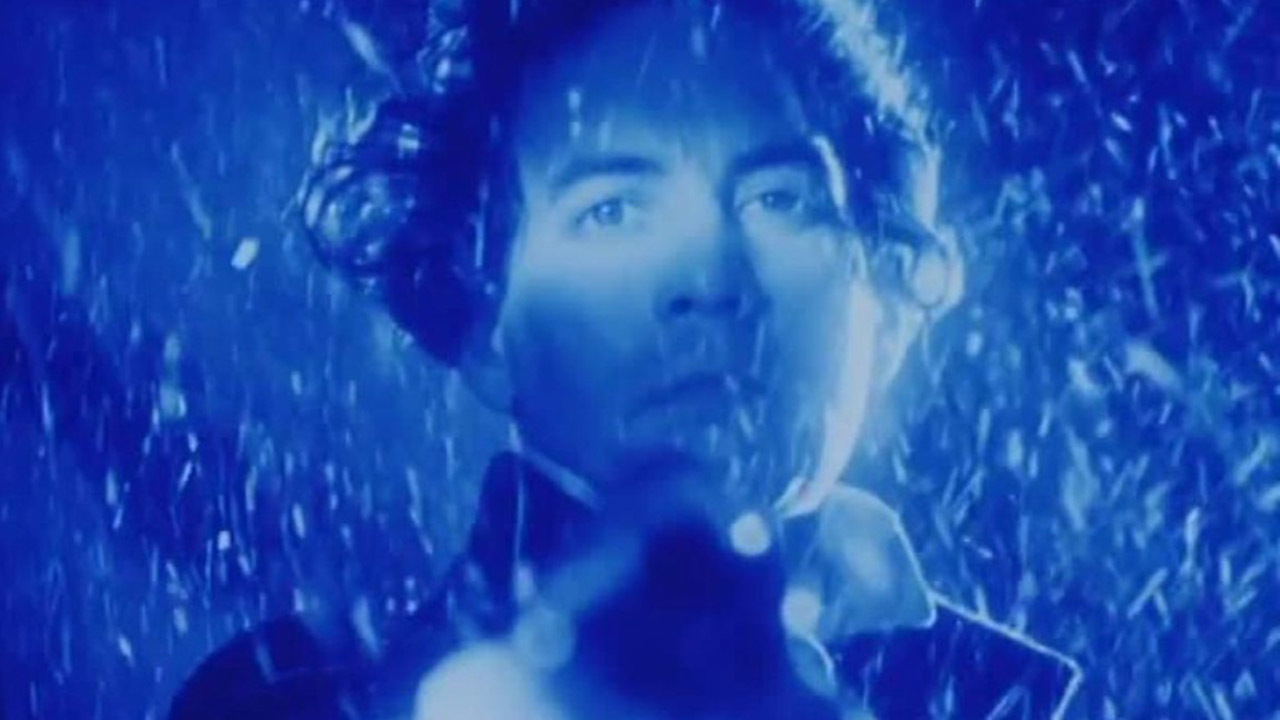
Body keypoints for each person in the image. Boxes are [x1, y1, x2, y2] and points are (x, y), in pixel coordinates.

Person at [169, 0, 1081, 717]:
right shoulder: (289, 706)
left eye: (780, 200)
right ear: (487, 325)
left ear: (880, 293)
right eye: (611, 211)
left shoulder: (1038, 707)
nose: (710, 279)